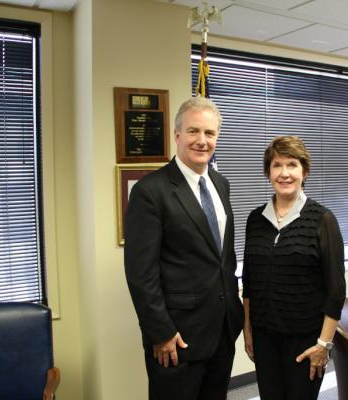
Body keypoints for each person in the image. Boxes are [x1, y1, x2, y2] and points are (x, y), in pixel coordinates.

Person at [124, 97, 243, 400]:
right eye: (193, 131)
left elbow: (222, 258)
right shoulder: (150, 191)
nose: (202, 140)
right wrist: (161, 332)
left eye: (210, 133)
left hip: (222, 328)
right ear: (176, 135)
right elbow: (141, 274)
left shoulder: (221, 184)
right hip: (177, 338)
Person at [242, 135, 346, 400]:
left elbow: (336, 290)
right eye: (277, 165)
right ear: (268, 173)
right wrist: (248, 330)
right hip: (264, 338)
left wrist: (324, 344)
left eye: (292, 165)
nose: (284, 173)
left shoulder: (322, 220)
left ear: (304, 172)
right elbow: (249, 281)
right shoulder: (255, 219)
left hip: (306, 340)